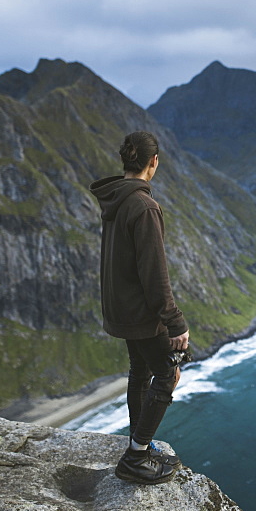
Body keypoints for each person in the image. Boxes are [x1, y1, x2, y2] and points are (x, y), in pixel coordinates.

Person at [89, 130, 191, 485]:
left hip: (121, 308)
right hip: (143, 312)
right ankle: (135, 457)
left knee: (140, 370)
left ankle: (139, 446)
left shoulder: (117, 199)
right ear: (153, 162)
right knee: (168, 375)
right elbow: (154, 272)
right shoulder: (144, 206)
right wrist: (175, 323)